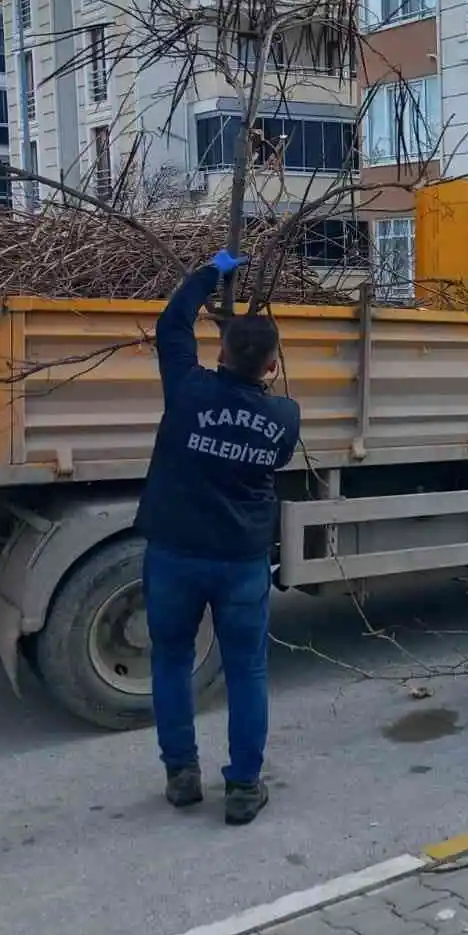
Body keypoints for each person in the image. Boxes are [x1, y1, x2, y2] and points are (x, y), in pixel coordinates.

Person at [135, 250, 301, 825]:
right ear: (272, 366)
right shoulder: (285, 418)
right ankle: (243, 787)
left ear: (221, 353)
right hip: (240, 561)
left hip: (175, 554)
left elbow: (171, 323)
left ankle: (181, 775)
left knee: (172, 661)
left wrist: (211, 271)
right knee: (247, 672)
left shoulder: (187, 390)